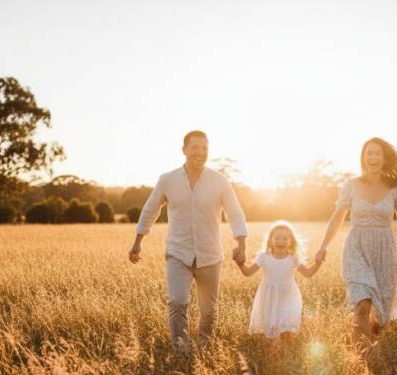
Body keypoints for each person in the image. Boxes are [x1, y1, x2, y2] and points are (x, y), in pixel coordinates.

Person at [128, 130, 247, 353]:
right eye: (195, 148)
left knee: (209, 310)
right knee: (177, 302)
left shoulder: (220, 182)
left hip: (210, 255)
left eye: (204, 148)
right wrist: (138, 241)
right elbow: (150, 209)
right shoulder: (168, 180)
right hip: (178, 253)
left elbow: (235, 213)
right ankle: (181, 351)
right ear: (184, 150)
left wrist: (241, 243)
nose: (200, 153)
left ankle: (203, 348)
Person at [315, 137, 397, 352]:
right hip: (356, 248)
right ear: (363, 157)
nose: (372, 157)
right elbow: (337, 216)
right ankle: (361, 355)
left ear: (384, 158)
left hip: (384, 250)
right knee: (362, 303)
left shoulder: (394, 186)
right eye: (369, 153)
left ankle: (373, 354)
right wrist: (323, 246)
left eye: (377, 153)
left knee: (381, 314)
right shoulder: (351, 185)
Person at [236, 221, 323, 341]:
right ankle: (272, 355)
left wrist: (318, 263)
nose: (281, 241)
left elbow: (308, 273)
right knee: (270, 329)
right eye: (277, 238)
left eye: (285, 238)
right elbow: (248, 273)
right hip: (269, 297)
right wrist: (240, 263)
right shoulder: (264, 257)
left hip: (288, 296)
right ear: (271, 240)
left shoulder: (293, 258)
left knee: (286, 329)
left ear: (290, 241)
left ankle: (287, 353)